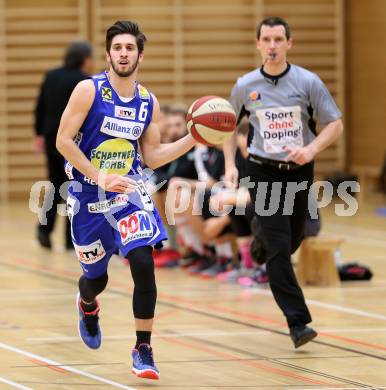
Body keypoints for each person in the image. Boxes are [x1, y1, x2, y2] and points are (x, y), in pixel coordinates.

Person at [56, 21, 197, 380]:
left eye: (129, 48)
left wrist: (193, 139)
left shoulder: (148, 102)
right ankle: (87, 304)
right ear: (108, 54)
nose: (123, 53)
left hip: (128, 194)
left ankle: (143, 348)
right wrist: (98, 176)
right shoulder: (88, 90)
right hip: (89, 196)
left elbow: (151, 156)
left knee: (143, 262)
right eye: (117, 47)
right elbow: (63, 140)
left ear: (140, 55)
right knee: (94, 279)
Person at [223, 16, 343, 348]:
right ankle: (298, 322)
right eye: (267, 40)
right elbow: (228, 127)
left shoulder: (308, 82)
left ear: (289, 43)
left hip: (299, 172)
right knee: (279, 250)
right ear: (258, 44)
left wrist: (312, 149)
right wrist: (231, 164)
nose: (273, 46)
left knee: (291, 240)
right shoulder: (245, 85)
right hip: (263, 171)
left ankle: (259, 241)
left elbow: (335, 124)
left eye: (279, 39)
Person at [34, 41, 93, 249]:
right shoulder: (84, 82)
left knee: (54, 185)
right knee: (73, 187)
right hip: (73, 140)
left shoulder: (51, 75)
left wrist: (39, 134)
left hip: (51, 137)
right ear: (85, 59)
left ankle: (43, 230)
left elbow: (40, 107)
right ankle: (70, 239)